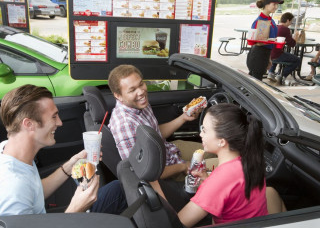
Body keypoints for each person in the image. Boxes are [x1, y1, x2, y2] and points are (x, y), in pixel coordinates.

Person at [0, 85, 127, 216]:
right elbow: (21, 190)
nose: (60, 122)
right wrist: (76, 208)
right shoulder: (13, 188)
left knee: (118, 188)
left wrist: (70, 165)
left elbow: (35, 191)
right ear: (29, 124)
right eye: (54, 117)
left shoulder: (8, 150)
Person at [177, 103, 285, 227]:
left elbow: (178, 223)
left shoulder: (218, 181)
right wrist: (207, 180)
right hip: (254, 220)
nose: (200, 134)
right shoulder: (249, 159)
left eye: (204, 130)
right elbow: (231, 190)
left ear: (221, 141)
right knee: (271, 191)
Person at [107, 64, 217, 181]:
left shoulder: (139, 104)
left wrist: (184, 117)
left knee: (214, 150)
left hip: (169, 150)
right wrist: (183, 166)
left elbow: (156, 133)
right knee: (224, 166)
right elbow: (143, 172)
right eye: (132, 90)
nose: (141, 92)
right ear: (118, 96)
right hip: (165, 171)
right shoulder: (124, 125)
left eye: (141, 84)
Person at [247, 0, 284, 80]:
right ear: (266, 5)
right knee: (255, 84)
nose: (276, 7)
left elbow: (269, 40)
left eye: (277, 5)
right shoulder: (260, 21)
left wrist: (269, 59)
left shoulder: (270, 20)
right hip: (258, 55)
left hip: (265, 54)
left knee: (256, 83)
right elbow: (255, 41)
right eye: (274, 4)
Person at [268, 12, 300, 85]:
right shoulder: (285, 29)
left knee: (277, 52)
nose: (291, 23)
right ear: (288, 20)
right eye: (291, 21)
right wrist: (296, 37)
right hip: (276, 55)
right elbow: (292, 44)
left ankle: (271, 72)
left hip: (269, 53)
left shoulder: (276, 26)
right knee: (297, 60)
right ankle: (282, 75)